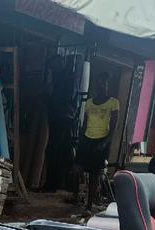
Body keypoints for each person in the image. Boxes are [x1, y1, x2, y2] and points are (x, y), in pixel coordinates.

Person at [75, 72, 119, 212]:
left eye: (103, 83)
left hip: (101, 140)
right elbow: (85, 123)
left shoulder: (113, 103)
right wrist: (80, 138)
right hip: (87, 138)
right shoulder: (89, 103)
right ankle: (76, 198)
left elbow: (113, 126)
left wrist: (105, 142)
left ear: (107, 85)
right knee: (77, 168)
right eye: (98, 83)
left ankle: (89, 204)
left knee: (94, 174)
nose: (100, 86)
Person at [42, 55, 77, 193]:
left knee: (53, 150)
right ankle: (52, 183)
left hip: (62, 117)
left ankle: (52, 184)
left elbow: (65, 98)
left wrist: (49, 100)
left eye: (54, 65)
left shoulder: (67, 77)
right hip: (59, 117)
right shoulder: (62, 77)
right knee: (55, 150)